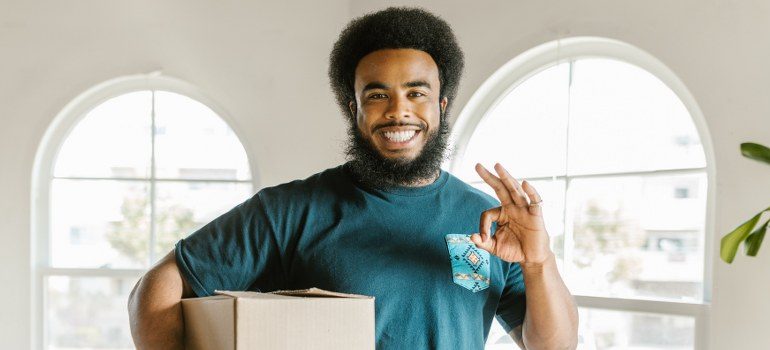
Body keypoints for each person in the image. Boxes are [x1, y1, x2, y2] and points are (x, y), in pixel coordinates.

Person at [128, 7, 578, 350]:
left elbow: (551, 345)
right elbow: (158, 287)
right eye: (377, 94)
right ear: (354, 109)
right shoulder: (290, 211)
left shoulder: (488, 220)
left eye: (416, 93)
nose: (398, 110)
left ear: (440, 107)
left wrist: (539, 264)